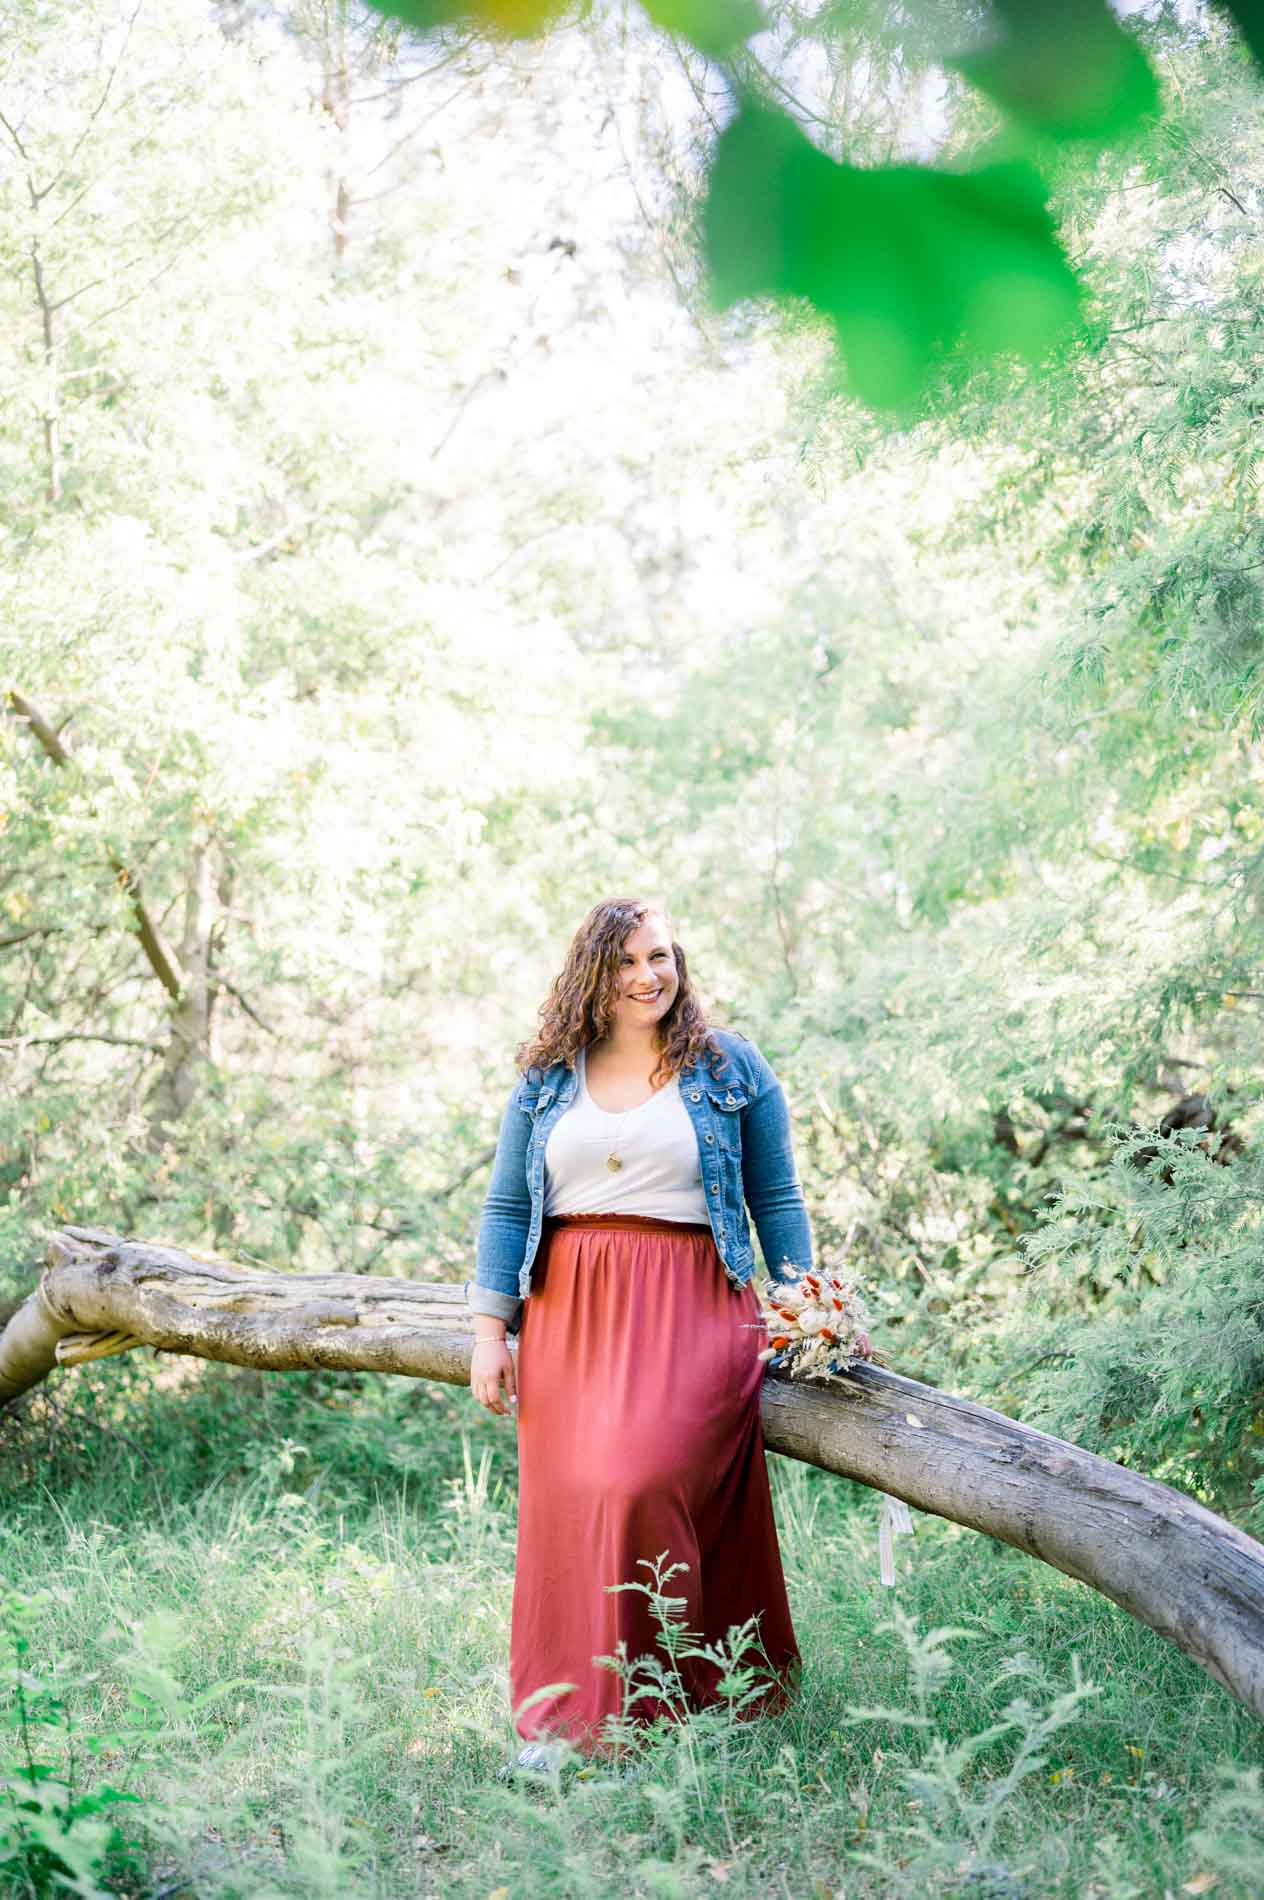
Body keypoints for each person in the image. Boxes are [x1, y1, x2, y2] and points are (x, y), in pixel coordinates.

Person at [464, 896, 872, 1771]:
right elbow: (505, 1206)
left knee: (640, 1477)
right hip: (569, 1306)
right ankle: (569, 1718)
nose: (649, 976)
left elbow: (776, 1198)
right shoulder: (546, 1076)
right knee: (572, 1501)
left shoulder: (729, 1065)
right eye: (626, 962)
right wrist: (488, 1329)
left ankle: (684, 1694)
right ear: (591, 974)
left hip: (694, 1299)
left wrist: (810, 1303)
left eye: (660, 956)